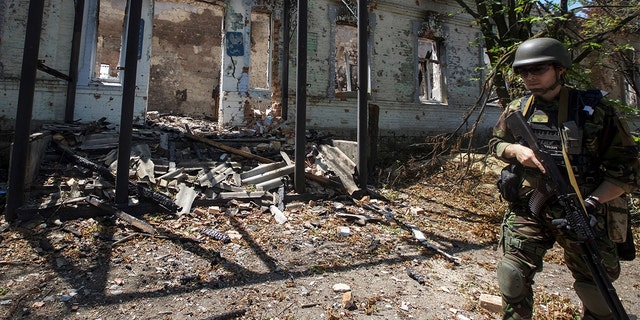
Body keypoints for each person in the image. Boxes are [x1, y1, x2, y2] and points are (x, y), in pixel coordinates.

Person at [489, 37, 639, 319]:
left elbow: (627, 171)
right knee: (512, 275)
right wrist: (514, 149)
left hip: (582, 210)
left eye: (538, 69)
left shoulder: (596, 111)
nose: (530, 77)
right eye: (523, 72)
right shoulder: (517, 109)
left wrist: (592, 204)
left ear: (560, 70)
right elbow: (495, 144)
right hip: (532, 207)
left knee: (596, 290)